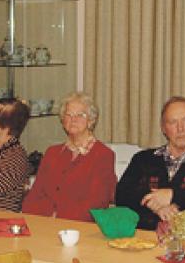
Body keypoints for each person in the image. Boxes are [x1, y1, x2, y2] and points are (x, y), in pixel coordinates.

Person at [115, 96, 185, 238]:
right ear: (164, 128)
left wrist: (172, 195)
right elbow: (122, 196)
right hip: (142, 241)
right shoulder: (142, 159)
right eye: (173, 122)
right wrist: (154, 204)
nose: (180, 128)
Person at [22, 92, 116, 221]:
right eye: (69, 114)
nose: (73, 119)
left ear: (91, 120)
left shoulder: (103, 155)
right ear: (63, 120)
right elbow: (34, 195)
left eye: (80, 115)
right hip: (43, 223)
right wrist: (39, 219)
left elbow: (97, 204)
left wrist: (58, 217)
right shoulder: (52, 153)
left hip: (78, 228)